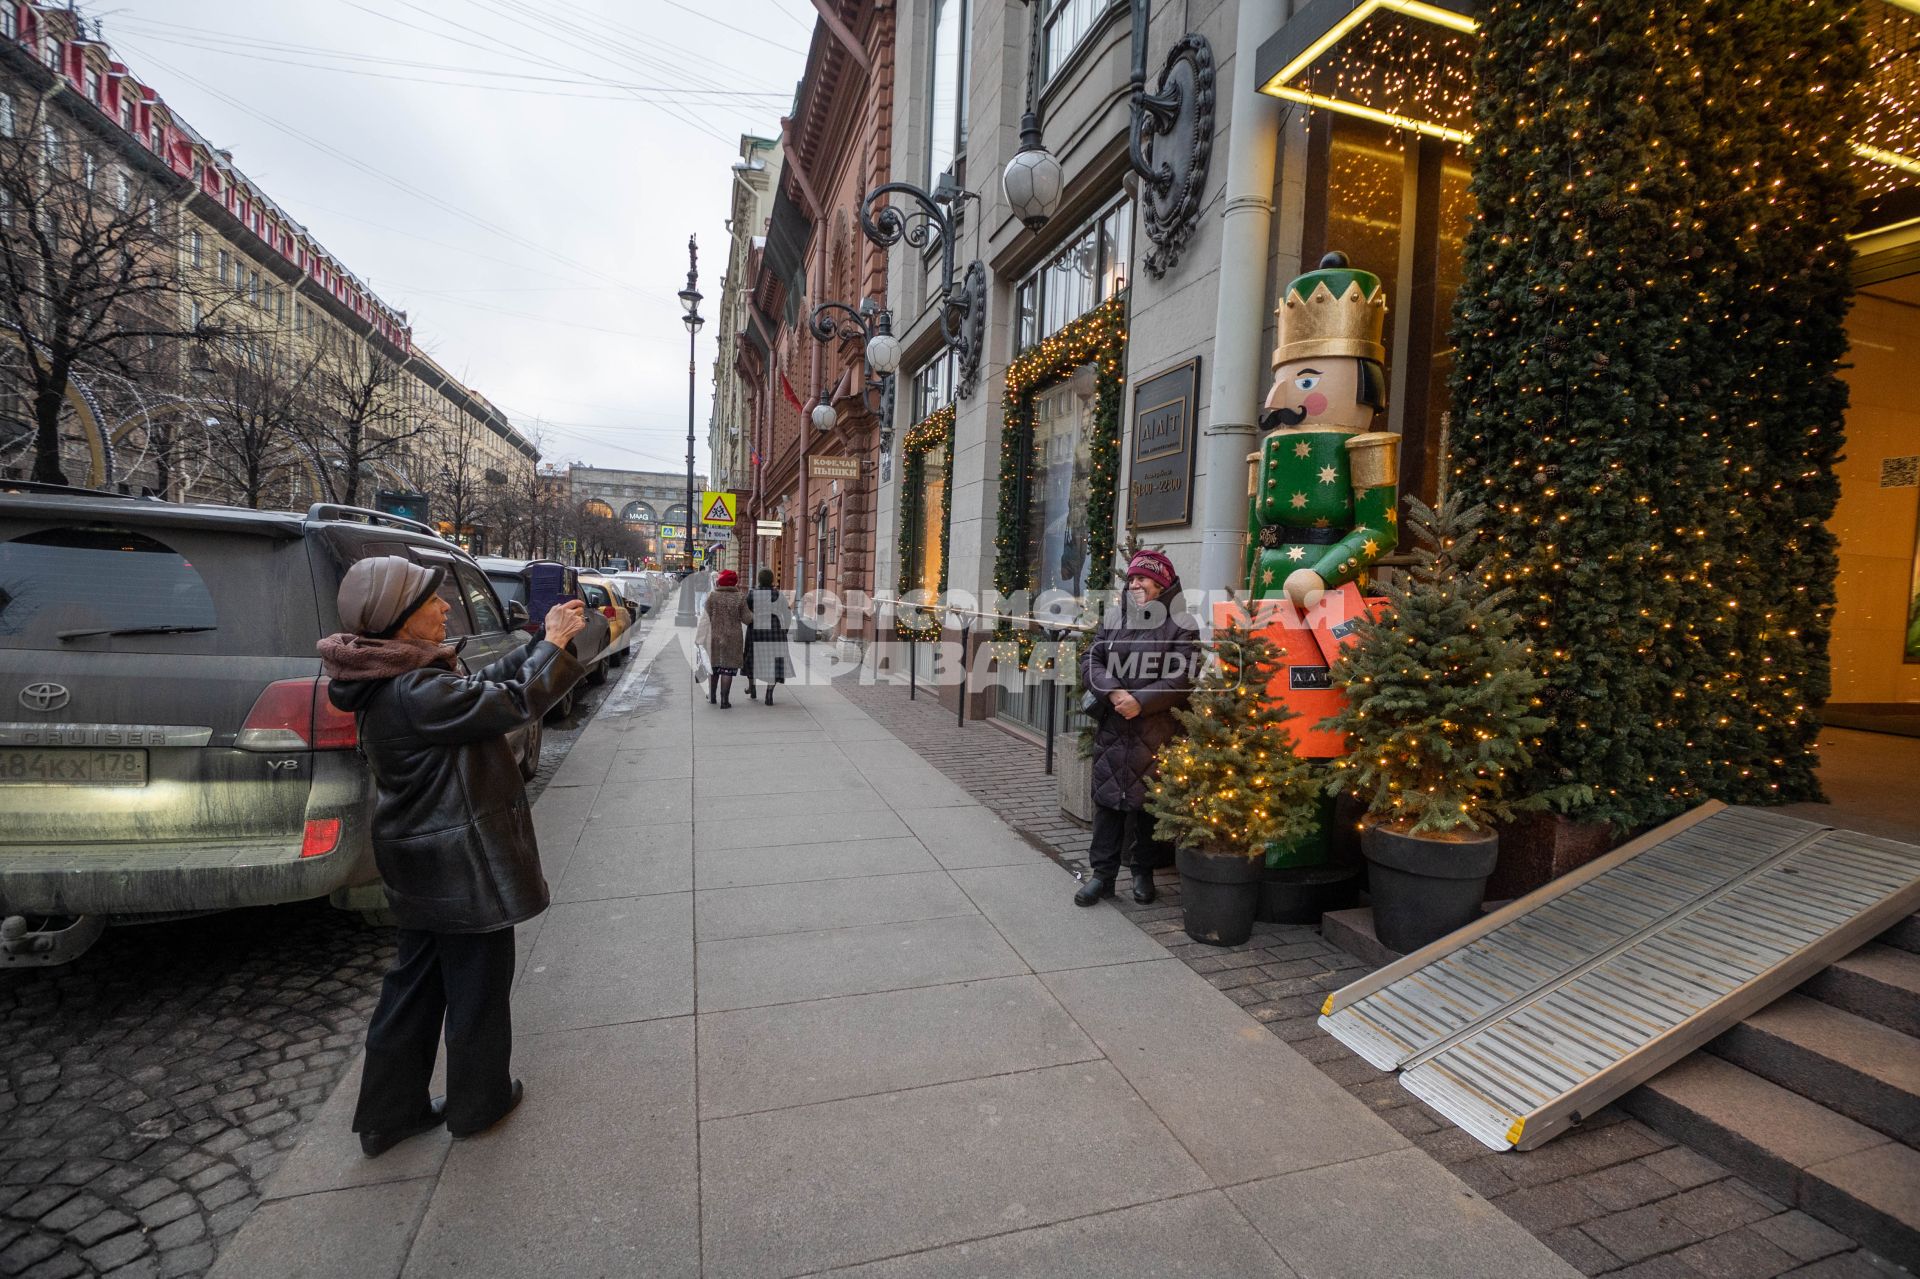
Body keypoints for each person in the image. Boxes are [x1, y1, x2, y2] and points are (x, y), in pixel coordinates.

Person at [319, 556, 586, 1156]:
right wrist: (558, 644)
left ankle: (389, 1113)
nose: (445, 608)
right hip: (461, 862)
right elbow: (514, 700)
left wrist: (544, 642)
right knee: (478, 987)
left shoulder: (396, 678)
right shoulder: (416, 690)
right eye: (431, 603)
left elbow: (484, 690)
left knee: (413, 986)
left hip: (420, 859)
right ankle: (479, 1102)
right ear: (400, 620)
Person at [1075, 549, 1199, 907]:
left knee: (1147, 805)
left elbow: (1183, 677)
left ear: (1161, 583)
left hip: (1155, 729)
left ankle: (1143, 873)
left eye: (1142, 578)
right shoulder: (1116, 618)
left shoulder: (1182, 623)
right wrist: (1114, 693)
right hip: (1115, 726)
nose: (1135, 585)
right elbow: (1091, 658)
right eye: (1131, 579)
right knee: (1108, 803)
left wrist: (1140, 701)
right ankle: (1102, 876)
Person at [703, 568, 749, 708]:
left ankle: (712, 697)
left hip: (715, 636)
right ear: (734, 582)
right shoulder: (740, 597)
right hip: (733, 637)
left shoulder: (713, 596)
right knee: (727, 669)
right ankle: (724, 701)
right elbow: (747, 619)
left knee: (714, 667)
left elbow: (706, 617)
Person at [743, 567, 789, 706]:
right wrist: (785, 629)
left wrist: (751, 621)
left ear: (759, 580)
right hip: (775, 630)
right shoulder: (778, 595)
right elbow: (787, 613)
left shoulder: (752, 594)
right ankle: (769, 693)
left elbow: (746, 612)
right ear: (771, 580)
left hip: (756, 630)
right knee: (774, 662)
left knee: (752, 658)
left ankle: (752, 688)